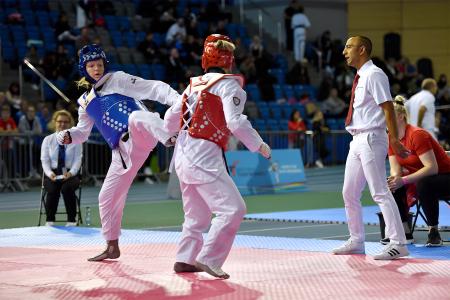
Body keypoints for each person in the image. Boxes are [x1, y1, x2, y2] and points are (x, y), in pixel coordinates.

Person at [57, 44, 180, 261]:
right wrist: (67, 135)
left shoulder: (118, 79)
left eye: (99, 64)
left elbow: (154, 88)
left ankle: (171, 137)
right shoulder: (85, 102)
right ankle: (112, 246)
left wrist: (179, 102)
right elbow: (82, 133)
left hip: (142, 134)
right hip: (122, 152)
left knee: (137, 117)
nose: (96, 69)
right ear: (84, 69)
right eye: (92, 65)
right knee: (106, 197)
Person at [164, 34, 272, 279]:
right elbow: (235, 122)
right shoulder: (228, 85)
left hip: (182, 155)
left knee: (196, 215)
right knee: (233, 209)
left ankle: (185, 259)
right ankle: (209, 258)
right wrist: (259, 145)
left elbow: (171, 116)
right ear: (229, 60)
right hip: (204, 155)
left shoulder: (193, 85)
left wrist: (169, 136)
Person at [332, 36, 410, 260]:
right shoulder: (361, 76)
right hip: (357, 139)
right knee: (349, 192)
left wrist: (394, 139)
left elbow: (387, 108)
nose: (344, 51)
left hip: (372, 138)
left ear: (362, 49)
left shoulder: (374, 74)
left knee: (379, 192)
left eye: (349, 47)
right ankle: (357, 240)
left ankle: (399, 242)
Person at [386, 96, 450, 246]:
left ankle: (433, 231)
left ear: (400, 117)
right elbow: (396, 170)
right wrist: (395, 180)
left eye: (388, 116)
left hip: (445, 176)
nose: (384, 120)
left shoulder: (416, 135)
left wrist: (404, 180)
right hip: (424, 178)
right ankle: (404, 231)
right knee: (391, 184)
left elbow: (432, 168)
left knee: (424, 183)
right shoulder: (391, 139)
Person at [41, 110, 82, 226]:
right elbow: (44, 161)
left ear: (70, 123)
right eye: (59, 121)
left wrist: (72, 173)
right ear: (54, 122)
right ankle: (50, 220)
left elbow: (78, 160)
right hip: (52, 174)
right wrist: (50, 174)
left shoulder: (76, 140)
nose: (62, 124)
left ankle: (71, 220)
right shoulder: (47, 140)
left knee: (67, 188)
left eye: (65, 122)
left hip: (70, 174)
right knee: (52, 189)